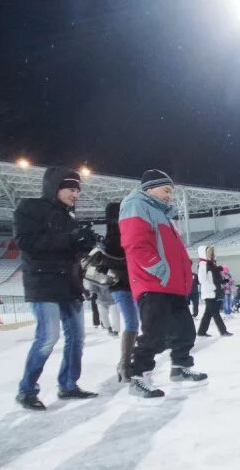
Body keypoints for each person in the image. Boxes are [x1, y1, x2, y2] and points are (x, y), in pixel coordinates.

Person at [14, 167, 99, 410]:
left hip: (68, 283)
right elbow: (26, 243)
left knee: (77, 338)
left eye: (77, 190)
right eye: (71, 189)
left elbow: (69, 249)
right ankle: (27, 390)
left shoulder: (68, 216)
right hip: (42, 283)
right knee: (47, 337)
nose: (76, 195)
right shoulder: (29, 208)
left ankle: (69, 385)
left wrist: (85, 243)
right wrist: (70, 239)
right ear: (55, 188)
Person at [119, 169, 208, 399]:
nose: (170, 195)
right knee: (153, 333)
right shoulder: (136, 205)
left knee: (185, 330)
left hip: (171, 284)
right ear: (150, 189)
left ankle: (180, 366)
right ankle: (138, 376)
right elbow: (136, 244)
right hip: (153, 283)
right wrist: (160, 270)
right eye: (166, 190)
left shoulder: (161, 213)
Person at [99, 202, 140, 383]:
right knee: (133, 323)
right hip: (125, 285)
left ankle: (126, 362)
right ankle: (125, 363)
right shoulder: (117, 238)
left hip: (125, 286)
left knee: (134, 323)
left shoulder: (110, 239)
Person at [196, 245, 231, 336]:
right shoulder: (203, 265)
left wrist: (222, 281)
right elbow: (201, 280)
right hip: (209, 293)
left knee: (208, 314)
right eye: (209, 252)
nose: (211, 254)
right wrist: (212, 287)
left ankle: (201, 331)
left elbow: (214, 278)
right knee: (215, 313)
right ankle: (223, 331)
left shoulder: (210, 264)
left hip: (213, 292)